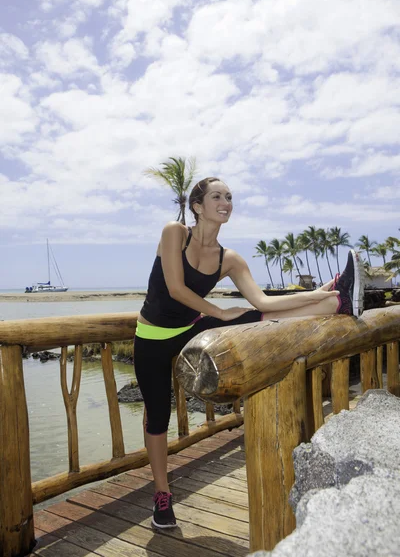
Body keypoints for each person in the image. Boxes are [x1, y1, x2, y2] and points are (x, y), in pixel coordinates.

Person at [133, 176, 365, 529]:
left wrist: (318, 293)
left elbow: (263, 301)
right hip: (150, 338)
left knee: (259, 316)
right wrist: (221, 313)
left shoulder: (230, 259)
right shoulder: (174, 233)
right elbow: (176, 289)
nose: (225, 202)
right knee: (158, 415)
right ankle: (162, 495)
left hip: (191, 331)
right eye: (216, 196)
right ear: (197, 206)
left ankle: (337, 298)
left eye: (229, 197)